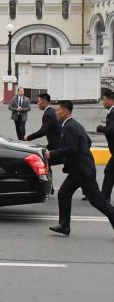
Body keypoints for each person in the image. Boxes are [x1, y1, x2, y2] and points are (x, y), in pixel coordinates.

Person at [46, 100, 114, 236]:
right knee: (64, 193)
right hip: (79, 169)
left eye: (58, 110)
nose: (56, 112)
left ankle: (64, 225)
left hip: (83, 171)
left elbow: (71, 148)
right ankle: (64, 225)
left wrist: (52, 153)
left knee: (97, 201)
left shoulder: (69, 127)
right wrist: (82, 155)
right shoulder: (74, 124)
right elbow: (87, 141)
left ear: (66, 112)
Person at [24, 93, 62, 193]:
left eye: (39, 101)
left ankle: (49, 188)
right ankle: (50, 189)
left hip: (58, 147)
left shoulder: (48, 114)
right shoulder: (51, 111)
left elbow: (43, 131)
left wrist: (28, 137)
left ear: (44, 101)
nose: (38, 103)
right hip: (57, 145)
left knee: (45, 162)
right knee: (46, 163)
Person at [96, 91, 114, 204]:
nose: (103, 102)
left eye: (104, 99)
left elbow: (111, 129)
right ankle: (105, 196)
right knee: (109, 171)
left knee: (109, 171)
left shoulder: (113, 113)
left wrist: (100, 128)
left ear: (110, 100)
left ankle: (104, 196)